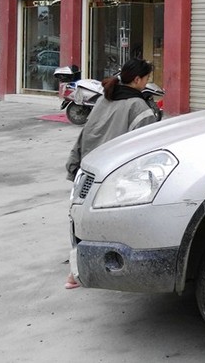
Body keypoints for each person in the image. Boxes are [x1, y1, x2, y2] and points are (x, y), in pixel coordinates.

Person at [63, 58, 158, 288]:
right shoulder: (138, 106)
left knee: (80, 221)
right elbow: (146, 146)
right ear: (137, 80)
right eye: (146, 79)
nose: (147, 82)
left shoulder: (106, 97)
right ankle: (87, 272)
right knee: (109, 226)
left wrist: (75, 162)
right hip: (113, 175)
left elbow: (86, 132)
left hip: (88, 169)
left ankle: (75, 273)